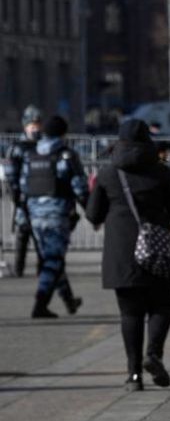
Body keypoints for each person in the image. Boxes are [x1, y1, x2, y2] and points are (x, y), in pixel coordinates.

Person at [86, 120, 170, 391]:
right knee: (162, 305)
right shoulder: (160, 172)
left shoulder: (108, 173)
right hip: (156, 249)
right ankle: (154, 354)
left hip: (121, 252)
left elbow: (93, 214)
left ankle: (133, 375)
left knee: (130, 314)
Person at [19, 114, 88, 318]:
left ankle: (69, 300)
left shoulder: (31, 154)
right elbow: (80, 187)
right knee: (54, 260)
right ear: (64, 133)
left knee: (51, 259)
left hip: (35, 215)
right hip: (57, 215)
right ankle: (40, 304)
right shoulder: (66, 154)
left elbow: (24, 186)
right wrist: (93, 212)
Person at [4, 105, 43, 278]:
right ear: (25, 126)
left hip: (42, 198)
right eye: (31, 124)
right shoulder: (18, 147)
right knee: (22, 234)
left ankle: (42, 271)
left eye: (37, 124)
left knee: (41, 238)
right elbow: (11, 174)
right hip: (24, 196)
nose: (34, 128)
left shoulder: (45, 145)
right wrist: (16, 195)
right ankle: (19, 269)